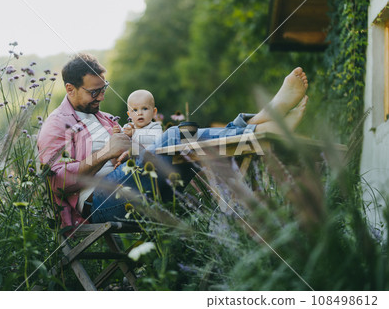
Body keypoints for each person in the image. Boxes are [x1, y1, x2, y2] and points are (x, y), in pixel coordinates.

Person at [37, 53, 308, 229]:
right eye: (94, 91)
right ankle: (257, 122)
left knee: (181, 149)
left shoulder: (107, 119)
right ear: (70, 89)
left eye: (104, 89)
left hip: (137, 182)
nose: (101, 97)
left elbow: (136, 158)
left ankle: (258, 124)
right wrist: (105, 154)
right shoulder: (56, 125)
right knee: (173, 136)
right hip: (98, 205)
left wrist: (132, 150)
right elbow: (56, 184)